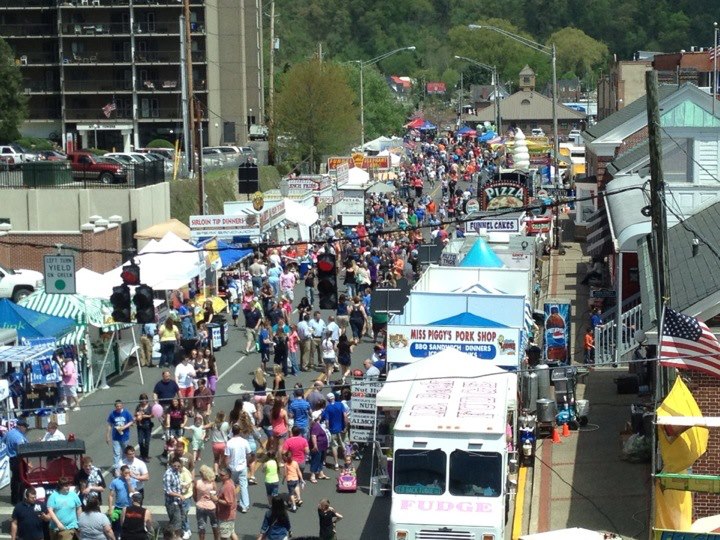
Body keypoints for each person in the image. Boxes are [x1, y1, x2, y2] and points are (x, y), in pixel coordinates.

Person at [224, 423, 251, 514]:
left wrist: (227, 467)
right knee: (244, 485)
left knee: (231, 486)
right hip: (242, 466)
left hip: (232, 468)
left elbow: (227, 457)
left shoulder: (229, 443)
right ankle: (245, 505)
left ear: (232, 431)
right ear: (239, 431)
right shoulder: (244, 441)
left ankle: (230, 502)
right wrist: (247, 463)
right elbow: (249, 454)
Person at [321, 393, 348, 470]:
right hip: (342, 429)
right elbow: (345, 416)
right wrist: (345, 427)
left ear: (328, 400)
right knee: (345, 446)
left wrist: (328, 429)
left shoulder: (328, 408)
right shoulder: (340, 405)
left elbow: (327, 421)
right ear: (334, 398)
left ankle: (336, 464)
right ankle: (347, 463)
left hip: (333, 430)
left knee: (334, 447)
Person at [7, 418, 29, 505]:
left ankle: (14, 499)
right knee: (21, 480)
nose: (25, 429)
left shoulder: (10, 433)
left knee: (14, 479)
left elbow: (4, 440)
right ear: (19, 426)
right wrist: (28, 463)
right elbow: (23, 450)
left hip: (12, 459)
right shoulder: (18, 437)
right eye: (24, 427)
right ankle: (19, 500)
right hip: (18, 459)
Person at [106, 400, 134, 468]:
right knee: (116, 453)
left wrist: (124, 427)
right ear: (115, 407)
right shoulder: (112, 414)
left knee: (125, 452)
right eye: (117, 406)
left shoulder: (126, 413)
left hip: (124, 436)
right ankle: (117, 468)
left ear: (122, 406)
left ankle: (124, 466)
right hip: (115, 437)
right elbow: (109, 425)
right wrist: (107, 435)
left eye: (120, 406)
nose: (118, 407)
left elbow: (131, 421)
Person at [194, 465, 219, 540]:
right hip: (211, 506)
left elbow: (194, 495)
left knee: (201, 526)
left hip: (200, 506)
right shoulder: (212, 483)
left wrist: (198, 500)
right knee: (214, 524)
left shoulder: (197, 483)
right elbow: (215, 495)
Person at [163, 458, 185, 535]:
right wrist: (179, 495)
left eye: (178, 466)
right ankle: (175, 536)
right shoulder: (169, 474)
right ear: (171, 464)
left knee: (180, 519)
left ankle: (172, 535)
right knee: (176, 522)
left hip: (179, 501)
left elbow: (177, 486)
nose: (176, 467)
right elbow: (168, 491)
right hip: (172, 503)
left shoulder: (177, 473)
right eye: (175, 465)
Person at [215, 469, 237, 540]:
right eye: (220, 474)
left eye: (222, 475)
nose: (220, 476)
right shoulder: (228, 482)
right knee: (231, 532)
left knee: (224, 537)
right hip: (229, 515)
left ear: (227, 476)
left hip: (226, 516)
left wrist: (217, 500)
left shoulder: (228, 486)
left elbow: (229, 502)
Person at [308, 414, 330, 483]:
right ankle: (313, 475)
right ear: (318, 417)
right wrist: (315, 445)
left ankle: (320, 473)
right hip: (318, 446)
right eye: (320, 415)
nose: (321, 416)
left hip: (323, 446)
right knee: (315, 460)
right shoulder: (315, 426)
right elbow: (313, 436)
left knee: (321, 460)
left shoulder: (319, 424)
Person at [134, 394, 153, 461]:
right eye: (142, 399)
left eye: (145, 399)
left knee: (147, 442)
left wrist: (144, 416)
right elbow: (135, 414)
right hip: (140, 426)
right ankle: (142, 455)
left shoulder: (150, 407)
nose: (143, 400)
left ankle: (146, 456)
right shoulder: (138, 407)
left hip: (147, 425)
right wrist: (137, 416)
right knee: (140, 441)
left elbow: (152, 415)